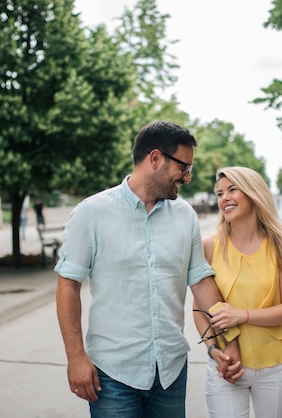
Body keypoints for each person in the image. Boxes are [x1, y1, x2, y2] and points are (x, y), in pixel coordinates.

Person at [55, 121, 242, 418]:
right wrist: (75, 357)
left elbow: (201, 283)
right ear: (155, 159)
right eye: (184, 167)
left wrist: (228, 341)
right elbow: (68, 286)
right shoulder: (90, 213)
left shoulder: (185, 216)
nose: (188, 177)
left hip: (170, 372)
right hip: (112, 375)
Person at [193, 166, 282, 418]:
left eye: (233, 190)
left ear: (254, 194)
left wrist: (241, 315)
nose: (224, 198)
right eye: (219, 193)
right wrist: (213, 350)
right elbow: (199, 310)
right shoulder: (209, 246)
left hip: (274, 368)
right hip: (226, 369)